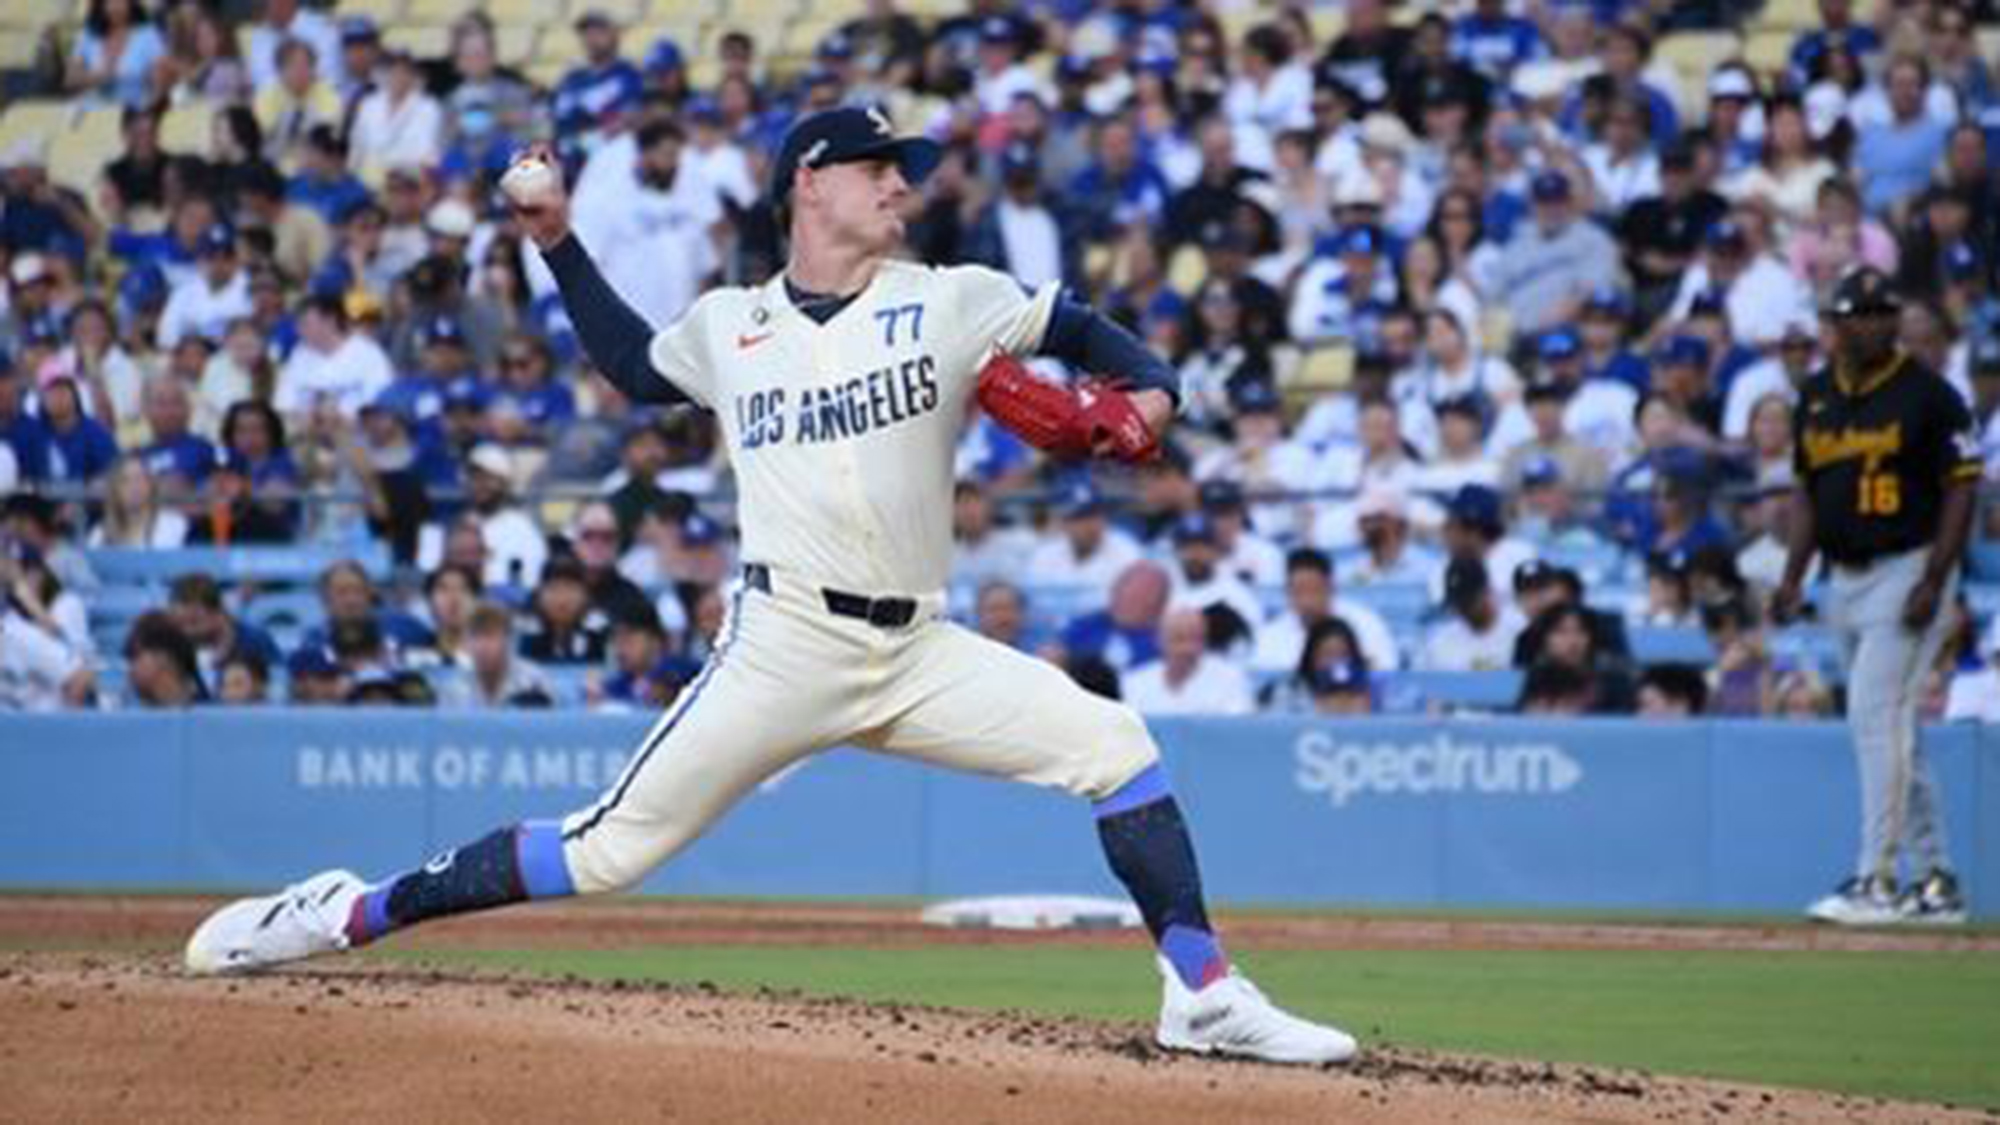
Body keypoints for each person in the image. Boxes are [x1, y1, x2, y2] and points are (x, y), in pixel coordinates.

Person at [184, 107, 1355, 1064]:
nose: (899, 187)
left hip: (919, 649)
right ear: (811, 181)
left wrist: (1150, 400)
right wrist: (556, 240)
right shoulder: (730, 326)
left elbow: (1094, 338)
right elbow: (630, 366)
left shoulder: (948, 297)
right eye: (878, 169)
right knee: (606, 853)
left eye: (903, 172)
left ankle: (1200, 991)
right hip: (784, 642)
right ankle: (344, 911)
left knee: (1113, 743)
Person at [1774, 267, 1977, 926]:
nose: (1862, 324)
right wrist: (1793, 574)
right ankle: (1937, 879)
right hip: (1843, 573)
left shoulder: (1930, 394)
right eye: (1851, 314)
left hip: (1908, 565)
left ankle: (1877, 878)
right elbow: (1808, 492)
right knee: (1893, 728)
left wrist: (1935, 577)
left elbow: (1962, 487)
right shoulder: (1815, 395)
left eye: (1873, 312)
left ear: (1892, 319)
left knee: (1874, 717)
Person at [1122, 607, 1256, 717]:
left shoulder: (1230, 679)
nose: (1188, 648)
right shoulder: (1134, 683)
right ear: (1159, 641)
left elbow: (1238, 731)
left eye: (1196, 639)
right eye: (1179, 639)